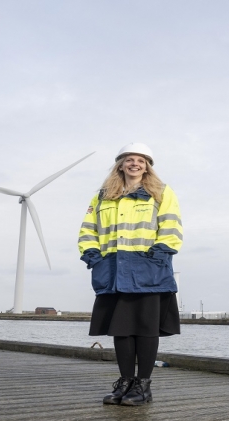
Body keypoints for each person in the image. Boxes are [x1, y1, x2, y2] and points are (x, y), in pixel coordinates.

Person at [78, 143, 183, 406]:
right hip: (113, 271)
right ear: (120, 164)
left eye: (141, 160)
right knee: (121, 331)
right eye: (129, 160)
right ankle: (125, 382)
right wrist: (93, 256)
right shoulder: (102, 196)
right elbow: (88, 229)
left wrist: (158, 256)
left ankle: (143, 386)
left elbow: (171, 226)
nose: (135, 164)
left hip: (149, 270)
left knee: (147, 330)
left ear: (147, 166)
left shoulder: (161, 192)